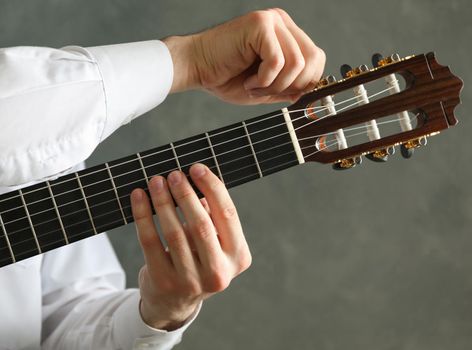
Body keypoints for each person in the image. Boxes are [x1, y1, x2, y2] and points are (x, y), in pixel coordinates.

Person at [0, 8, 325, 349]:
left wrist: (159, 316)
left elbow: (61, 317)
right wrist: (186, 60)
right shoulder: (48, 142)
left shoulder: (46, 151)